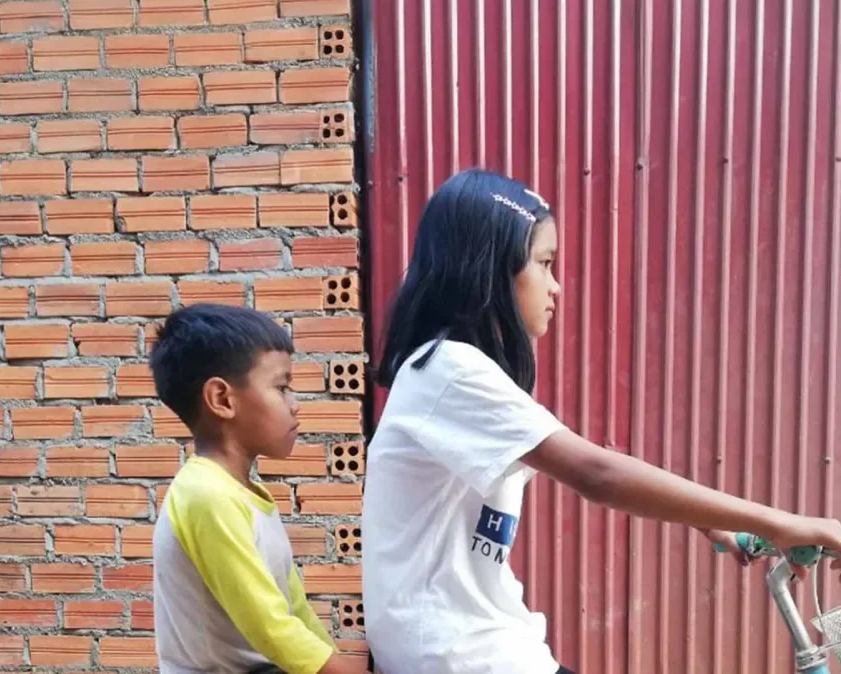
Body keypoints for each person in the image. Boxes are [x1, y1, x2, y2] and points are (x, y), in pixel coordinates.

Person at [360, 167, 841, 674]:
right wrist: (784, 522)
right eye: (544, 264)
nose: (557, 286)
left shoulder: (442, 373)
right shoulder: (450, 370)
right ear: (489, 271)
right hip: (464, 657)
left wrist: (712, 523)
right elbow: (598, 474)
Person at [149, 303, 368, 674]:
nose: (296, 405)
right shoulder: (207, 495)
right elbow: (270, 627)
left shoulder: (244, 494)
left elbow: (294, 612)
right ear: (222, 399)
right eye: (282, 387)